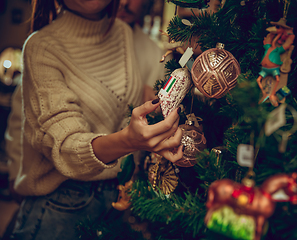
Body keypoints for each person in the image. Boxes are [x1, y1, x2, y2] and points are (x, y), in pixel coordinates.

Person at [9, 0, 184, 239]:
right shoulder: (41, 47)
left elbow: (120, 108)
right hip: (60, 203)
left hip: (114, 202)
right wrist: (130, 141)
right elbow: (65, 146)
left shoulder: (122, 33)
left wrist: (155, 109)